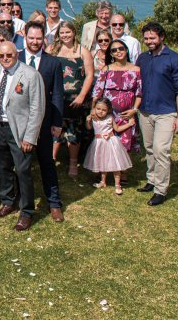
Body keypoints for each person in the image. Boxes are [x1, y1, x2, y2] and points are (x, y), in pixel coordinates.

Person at [0, 42, 45, 232]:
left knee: (22, 170)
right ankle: (7, 201)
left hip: (19, 131)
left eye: (9, 55)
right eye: (1, 55)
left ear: (17, 54)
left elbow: (37, 108)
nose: (5, 59)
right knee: (2, 167)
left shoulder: (30, 75)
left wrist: (30, 137)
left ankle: (26, 211)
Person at [135, 22, 178, 207]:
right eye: (146, 38)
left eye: (152, 38)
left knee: (161, 150)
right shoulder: (142, 58)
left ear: (162, 37)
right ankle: (151, 180)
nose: (149, 41)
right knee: (149, 147)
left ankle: (160, 190)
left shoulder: (175, 60)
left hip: (166, 112)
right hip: (145, 111)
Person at [21, 21, 66, 223]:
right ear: (25, 37)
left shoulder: (53, 63)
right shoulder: (16, 58)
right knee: (21, 165)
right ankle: (19, 201)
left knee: (47, 162)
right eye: (31, 38)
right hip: (20, 121)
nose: (35, 41)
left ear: (44, 39)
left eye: (38, 38)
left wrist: (57, 122)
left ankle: (54, 203)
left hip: (45, 121)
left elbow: (57, 94)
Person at [48, 21, 94, 177]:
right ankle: (51, 159)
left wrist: (82, 95)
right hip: (56, 97)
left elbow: (89, 75)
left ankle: (73, 162)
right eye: (62, 33)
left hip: (76, 98)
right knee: (55, 127)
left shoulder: (83, 51)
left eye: (68, 32)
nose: (65, 35)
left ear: (74, 32)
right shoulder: (52, 49)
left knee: (74, 130)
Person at [83, 98, 133, 195]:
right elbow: (89, 128)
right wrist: (87, 121)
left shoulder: (110, 118)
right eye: (98, 109)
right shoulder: (93, 118)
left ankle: (117, 184)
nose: (100, 112)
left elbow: (117, 129)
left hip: (111, 142)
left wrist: (129, 124)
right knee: (102, 162)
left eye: (104, 110)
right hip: (98, 143)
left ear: (108, 110)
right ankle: (103, 181)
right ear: (95, 108)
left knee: (116, 164)